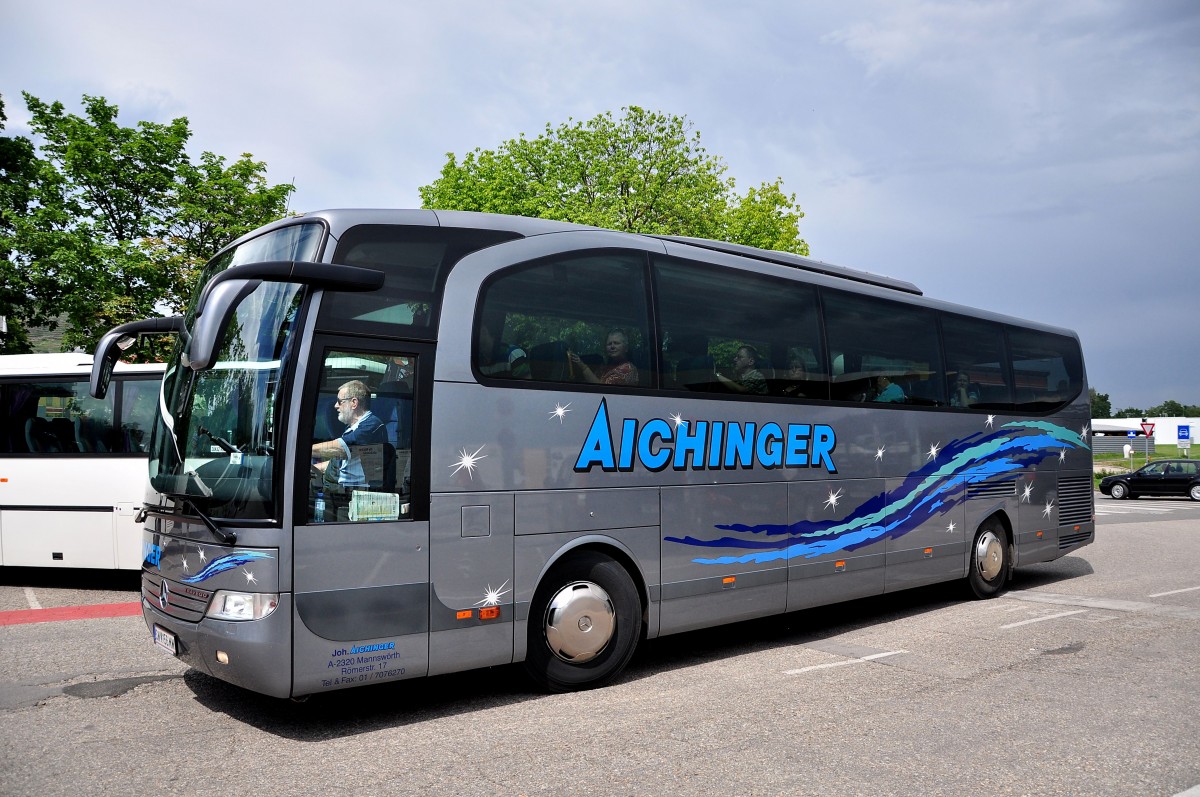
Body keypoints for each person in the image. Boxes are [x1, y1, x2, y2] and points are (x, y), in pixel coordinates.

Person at [311, 380, 388, 490]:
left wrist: (302, 452)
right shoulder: (352, 427)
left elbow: (341, 449)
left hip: (350, 494)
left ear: (354, 403)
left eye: (339, 401)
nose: (336, 406)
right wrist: (314, 468)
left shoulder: (371, 426)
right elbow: (339, 463)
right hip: (338, 489)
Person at [569, 328, 639, 385]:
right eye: (609, 344)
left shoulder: (627, 369)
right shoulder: (605, 367)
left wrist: (583, 367)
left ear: (626, 348)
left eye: (616, 343)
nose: (612, 346)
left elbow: (601, 389)